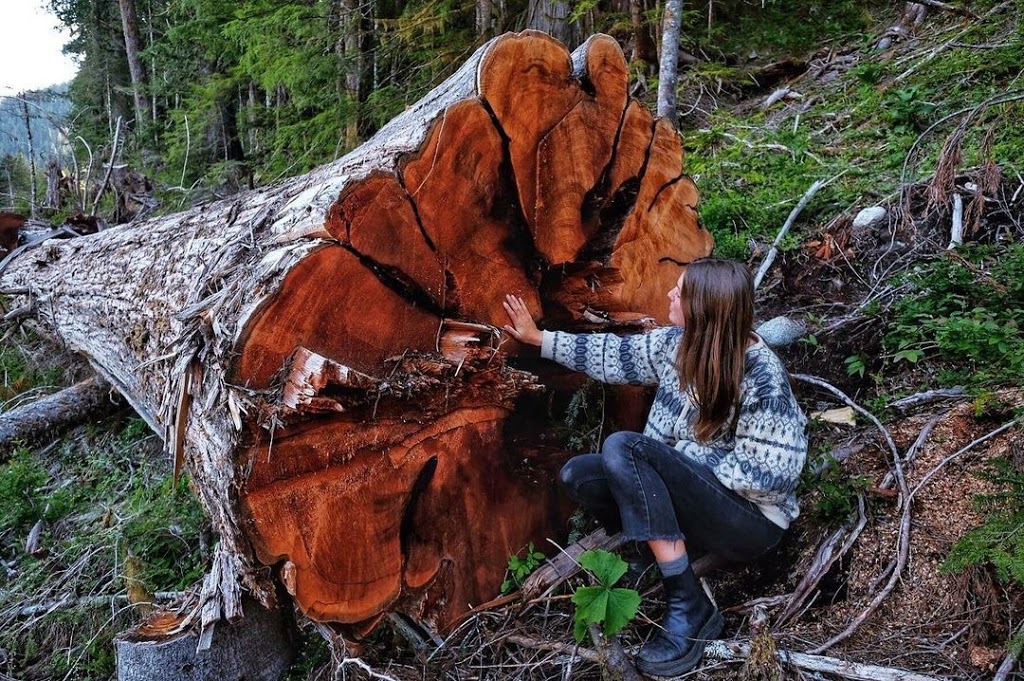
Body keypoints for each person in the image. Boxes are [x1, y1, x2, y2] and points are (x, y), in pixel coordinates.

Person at [502, 258, 807, 677]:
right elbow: (612, 354)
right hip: (702, 505)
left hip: (751, 523)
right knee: (581, 476)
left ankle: (690, 604)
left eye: (679, 292)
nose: (669, 295)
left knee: (627, 449)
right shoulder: (677, 346)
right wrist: (540, 340)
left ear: (704, 307)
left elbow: (772, 478)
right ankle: (663, 551)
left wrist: (682, 458)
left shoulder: (761, 374)